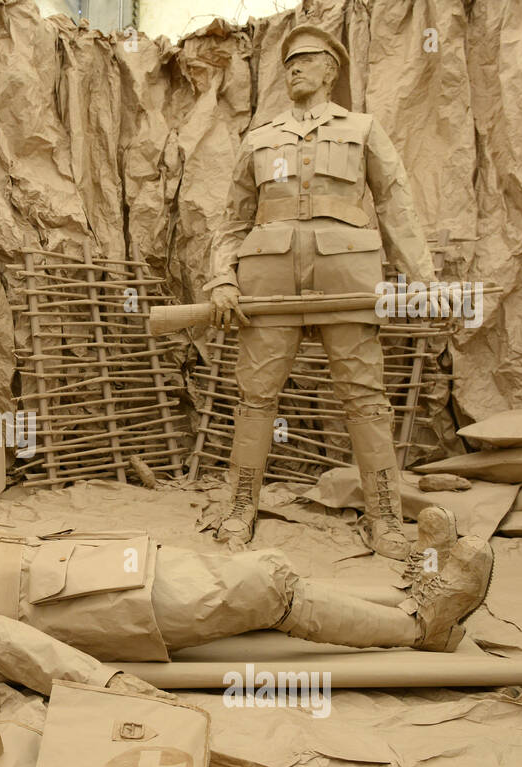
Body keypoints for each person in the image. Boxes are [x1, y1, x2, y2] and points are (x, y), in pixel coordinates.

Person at [0, 507, 492, 698]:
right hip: (77, 605)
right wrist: (97, 682)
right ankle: (417, 625)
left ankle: (409, 598)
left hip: (89, 562)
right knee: (266, 586)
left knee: (248, 582)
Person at [205, 25, 438, 559]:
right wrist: (222, 279)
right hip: (269, 284)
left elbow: (397, 205)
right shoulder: (260, 138)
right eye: (289, 62)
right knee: (255, 397)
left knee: (365, 398)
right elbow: (231, 221)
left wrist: (421, 280)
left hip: (348, 283)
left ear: (331, 70)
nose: (295, 69)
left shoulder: (362, 129)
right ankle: (239, 509)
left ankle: (385, 519)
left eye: (306, 60)